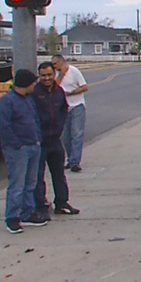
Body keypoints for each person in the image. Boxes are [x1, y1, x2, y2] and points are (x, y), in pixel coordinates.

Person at [0, 69, 48, 234]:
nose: (34, 86)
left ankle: (28, 212)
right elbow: (4, 126)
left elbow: (34, 119)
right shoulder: (7, 101)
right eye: (33, 83)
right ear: (25, 83)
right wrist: (17, 144)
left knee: (30, 183)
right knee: (17, 184)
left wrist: (37, 139)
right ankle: (12, 217)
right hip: (18, 149)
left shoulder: (28, 100)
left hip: (33, 145)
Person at [31, 62, 80, 220]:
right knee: (38, 177)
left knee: (59, 174)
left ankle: (62, 203)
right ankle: (40, 206)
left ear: (54, 74)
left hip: (55, 141)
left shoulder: (59, 92)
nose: (46, 78)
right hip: (39, 142)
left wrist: (59, 127)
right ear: (39, 76)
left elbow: (64, 110)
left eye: (49, 75)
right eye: (43, 75)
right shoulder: (34, 93)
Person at [51, 54, 88, 172]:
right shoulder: (56, 74)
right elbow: (54, 88)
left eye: (55, 64)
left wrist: (72, 93)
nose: (54, 66)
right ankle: (70, 158)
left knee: (76, 133)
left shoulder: (74, 71)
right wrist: (61, 75)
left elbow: (84, 87)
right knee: (66, 135)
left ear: (61, 62)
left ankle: (75, 162)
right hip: (63, 107)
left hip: (77, 105)